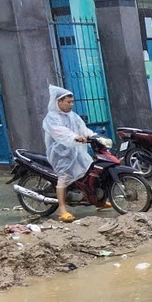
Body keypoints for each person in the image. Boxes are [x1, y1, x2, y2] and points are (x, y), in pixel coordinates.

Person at [43, 86, 102, 222]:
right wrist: (74, 137)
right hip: (60, 154)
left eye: (72, 102)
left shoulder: (73, 116)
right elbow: (59, 132)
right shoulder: (51, 118)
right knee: (63, 177)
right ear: (59, 101)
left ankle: (98, 201)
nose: (71, 104)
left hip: (76, 151)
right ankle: (62, 209)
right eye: (68, 102)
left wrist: (94, 136)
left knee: (90, 171)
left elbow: (83, 128)